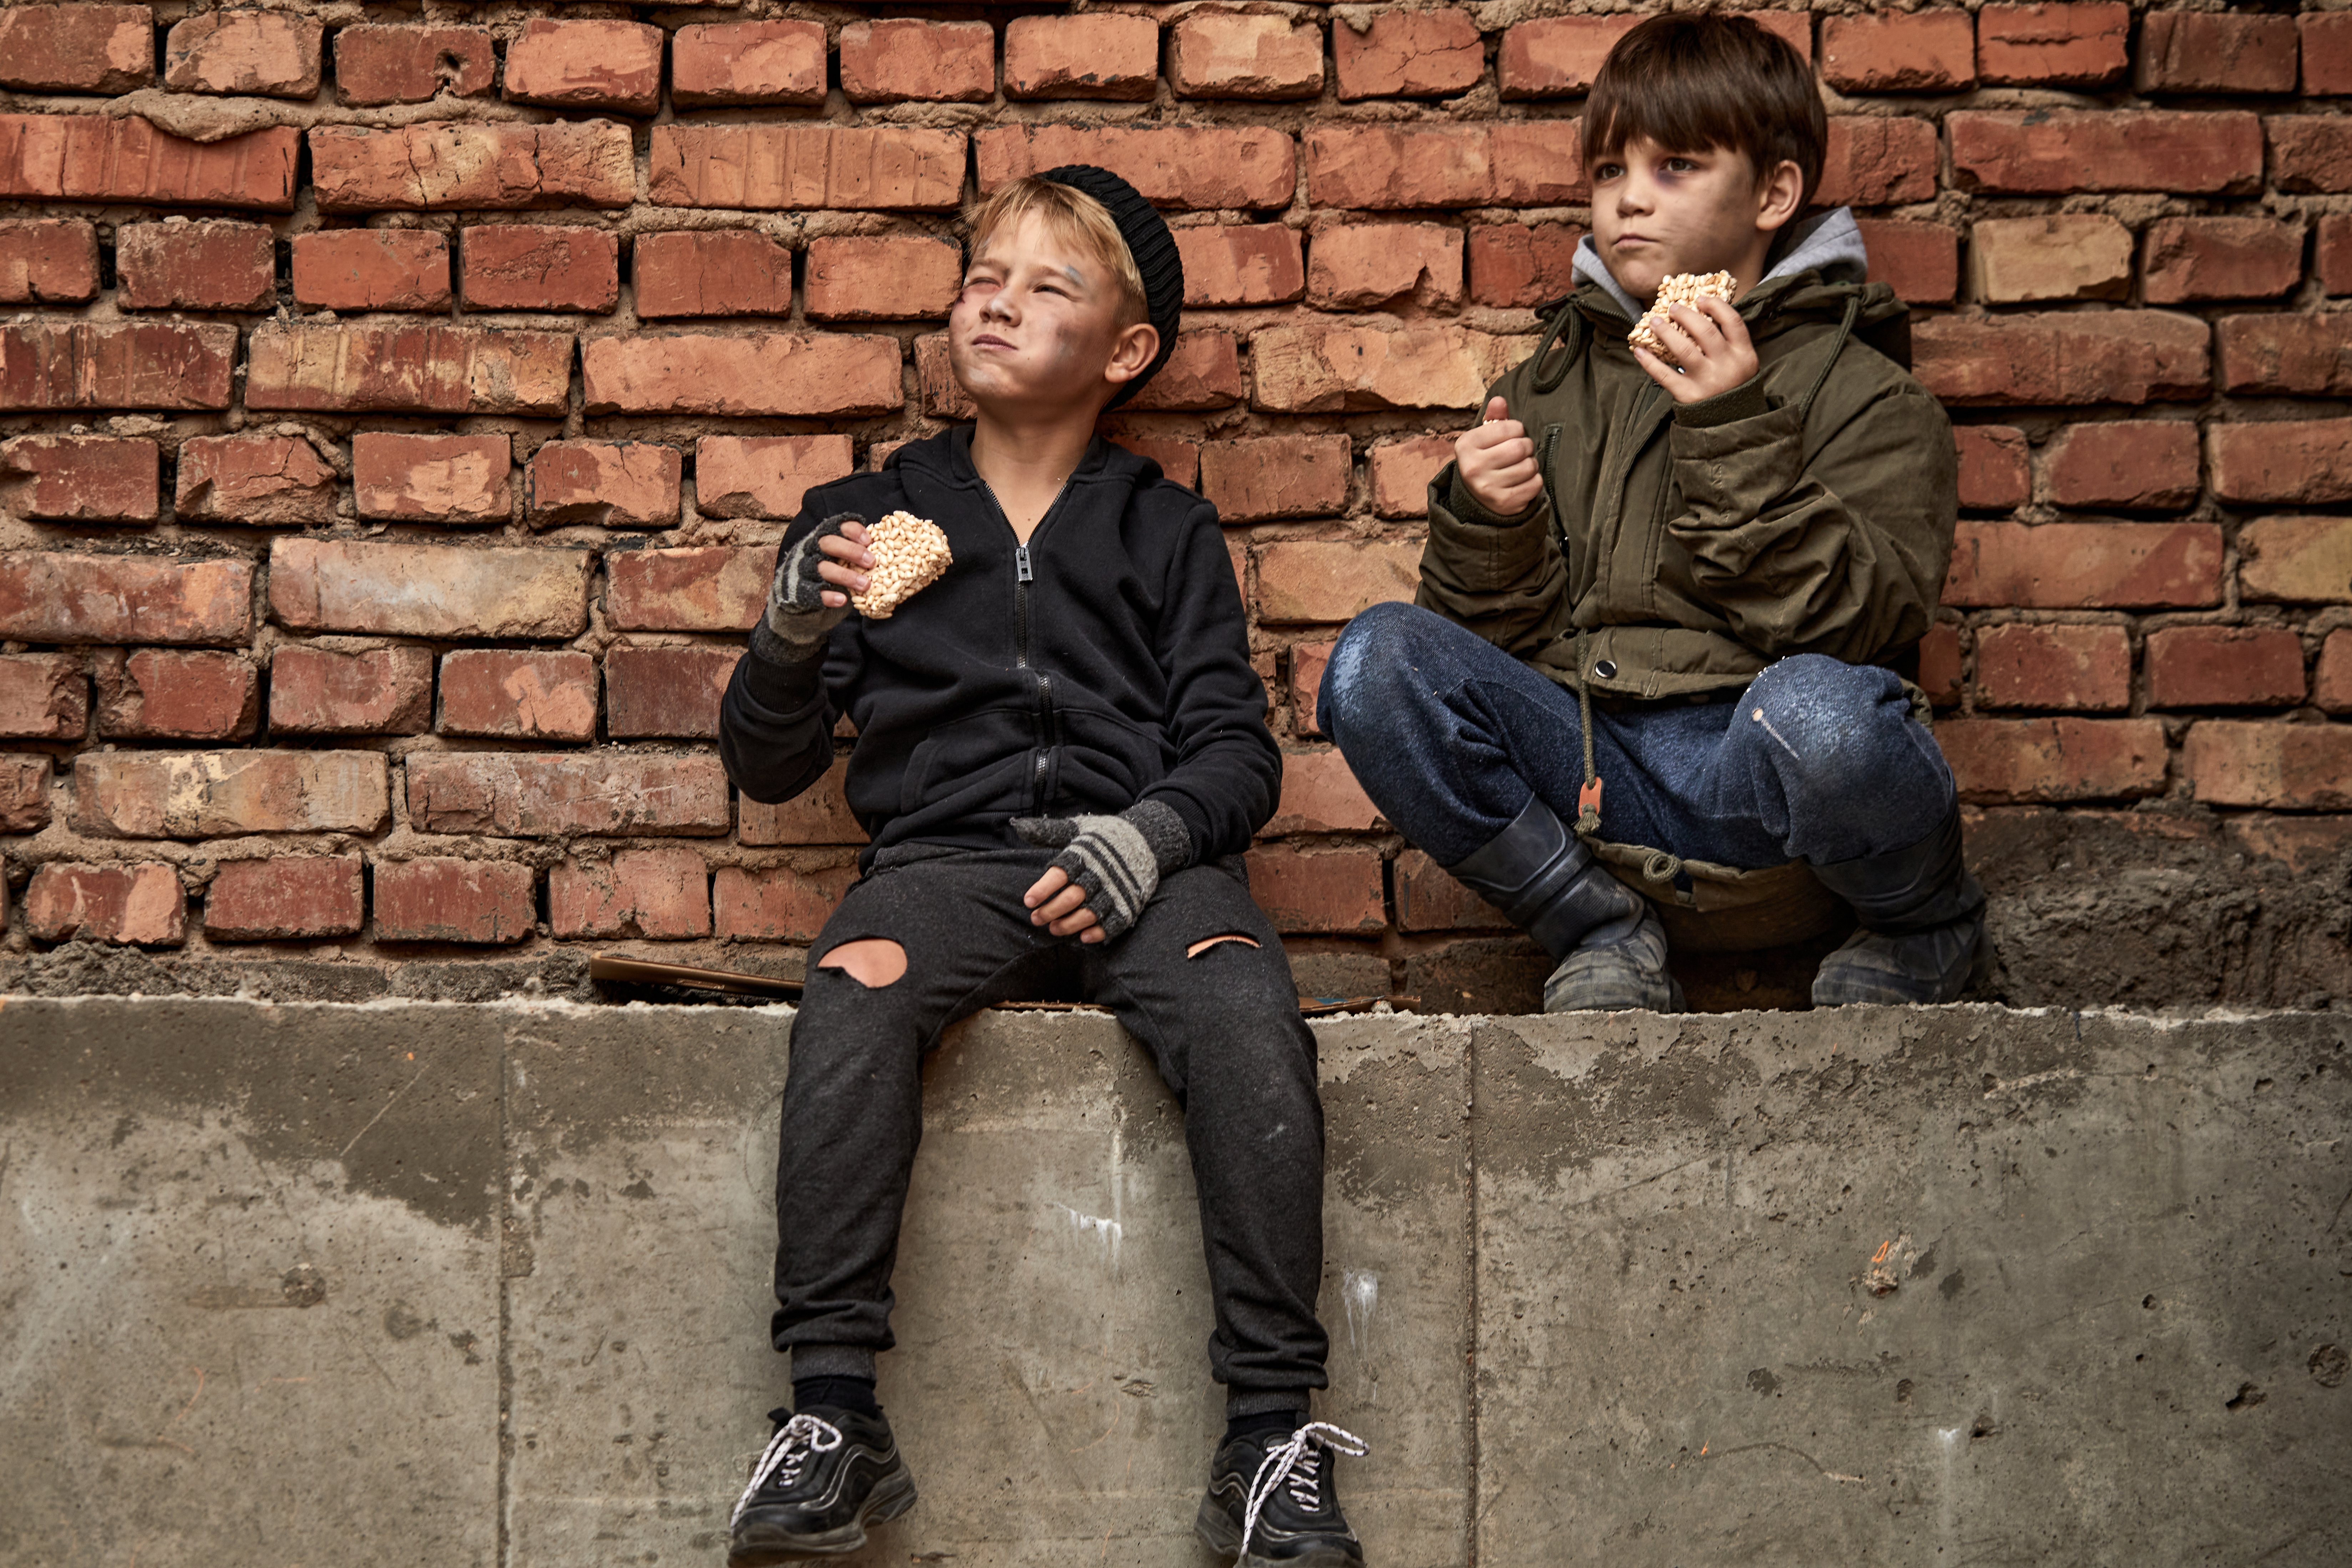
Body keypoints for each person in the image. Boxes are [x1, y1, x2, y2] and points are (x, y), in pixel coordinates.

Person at [717, 167, 1366, 1568]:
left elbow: (1234, 755)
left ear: (1125, 350)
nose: (996, 300)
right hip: (941, 860)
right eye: (981, 277)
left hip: (1144, 860)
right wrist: (784, 635)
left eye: (1045, 284)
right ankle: (833, 1420)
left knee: (1245, 1001)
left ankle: (1270, 1439)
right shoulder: (864, 513)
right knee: (853, 980)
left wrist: (1145, 840)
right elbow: (767, 764)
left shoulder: (1164, 528)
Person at [1320, 13, 1978, 1014]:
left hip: (1768, 791)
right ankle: (1596, 927)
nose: (1628, 197)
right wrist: (1487, 525)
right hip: (1594, 780)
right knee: (1376, 662)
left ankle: (1924, 920)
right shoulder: (1547, 384)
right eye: (1608, 170)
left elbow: (1865, 629)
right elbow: (1477, 655)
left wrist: (1731, 426)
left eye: (1675, 166)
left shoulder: (1870, 394)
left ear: (1774, 193)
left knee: (1822, 717)